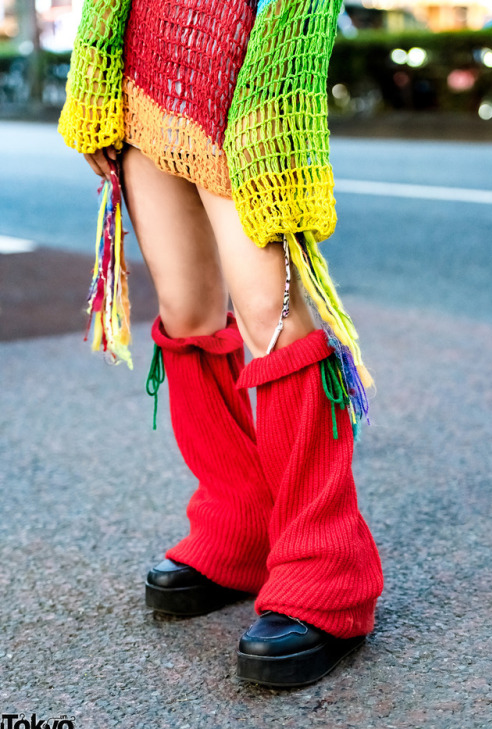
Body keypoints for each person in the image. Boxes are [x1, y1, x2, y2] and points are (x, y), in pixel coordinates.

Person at [58, 0, 384, 688]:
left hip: (252, 56)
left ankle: (328, 571)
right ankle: (239, 527)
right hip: (146, 56)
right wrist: (94, 74)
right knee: (186, 309)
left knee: (272, 309)